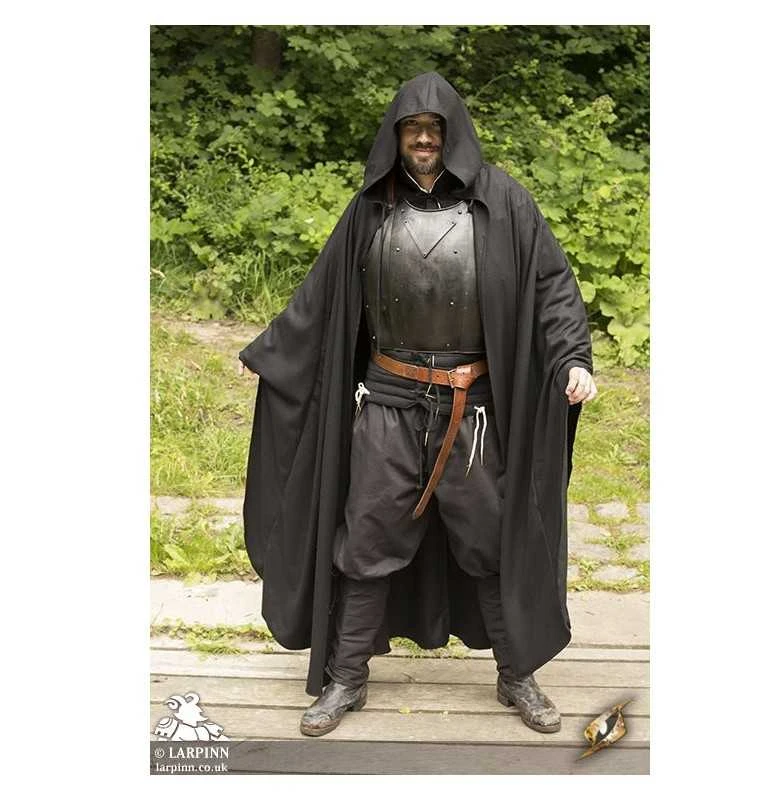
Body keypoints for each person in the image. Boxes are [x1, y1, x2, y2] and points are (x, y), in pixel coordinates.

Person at [238, 72, 597, 738]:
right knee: (366, 538)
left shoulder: (503, 203)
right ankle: (347, 678)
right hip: (389, 404)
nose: (424, 139)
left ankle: (516, 674)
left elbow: (552, 287)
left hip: (474, 412)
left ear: (452, 134)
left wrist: (572, 357)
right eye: (413, 129)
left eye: (434, 129)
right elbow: (320, 297)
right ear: (396, 136)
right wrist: (273, 352)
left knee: (490, 540)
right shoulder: (370, 209)